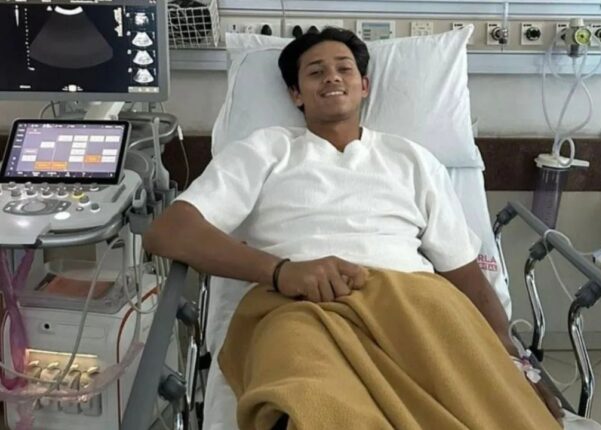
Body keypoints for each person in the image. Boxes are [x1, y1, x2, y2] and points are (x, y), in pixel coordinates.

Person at [144, 27, 563, 426]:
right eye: (315, 72)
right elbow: (170, 231)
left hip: (414, 302)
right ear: (296, 94)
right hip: (299, 306)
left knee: (496, 409)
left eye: (344, 68)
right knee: (307, 397)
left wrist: (513, 359)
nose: (332, 77)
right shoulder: (265, 151)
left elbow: (465, 275)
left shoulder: (413, 160)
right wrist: (281, 272)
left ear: (364, 86)